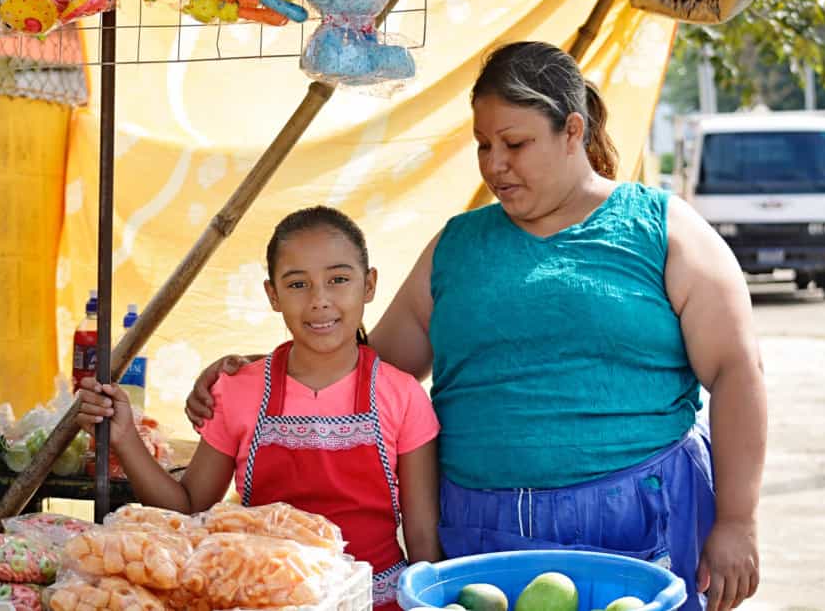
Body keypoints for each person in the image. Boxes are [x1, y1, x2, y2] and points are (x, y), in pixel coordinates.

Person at [186, 42, 767, 611]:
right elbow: (367, 374)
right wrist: (254, 377)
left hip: (637, 523)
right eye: (483, 145)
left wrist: (738, 519)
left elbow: (738, 370)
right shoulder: (457, 247)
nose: (494, 165)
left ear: (572, 131)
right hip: (477, 535)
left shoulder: (661, 230)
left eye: (515, 143)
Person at [76, 206, 442, 610]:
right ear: (272, 295)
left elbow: (423, 539)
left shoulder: (403, 396)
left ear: (369, 285)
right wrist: (126, 439)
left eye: (339, 279)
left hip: (376, 601)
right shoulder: (239, 390)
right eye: (298, 284)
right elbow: (187, 509)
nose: (320, 300)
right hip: (263, 600)